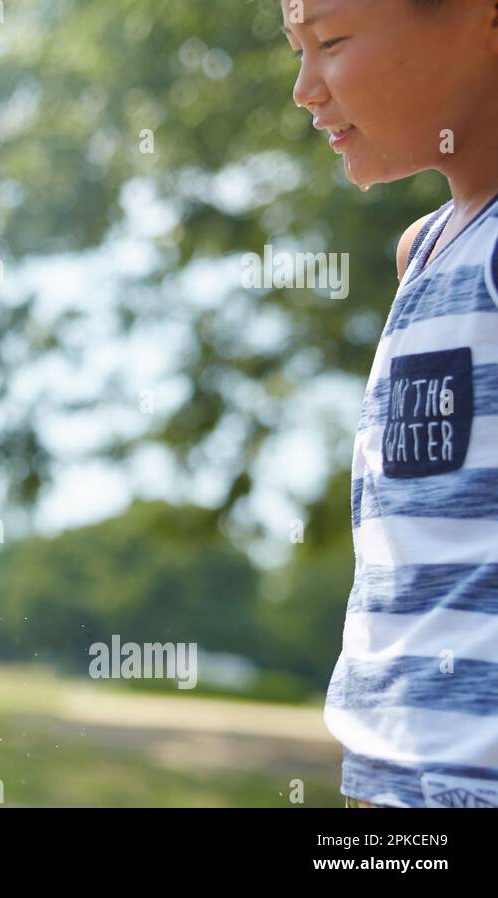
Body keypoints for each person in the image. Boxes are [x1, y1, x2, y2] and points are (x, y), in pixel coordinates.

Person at [282, 0, 498, 807]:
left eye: (331, 43)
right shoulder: (426, 251)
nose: (306, 87)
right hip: (393, 773)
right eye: (297, 50)